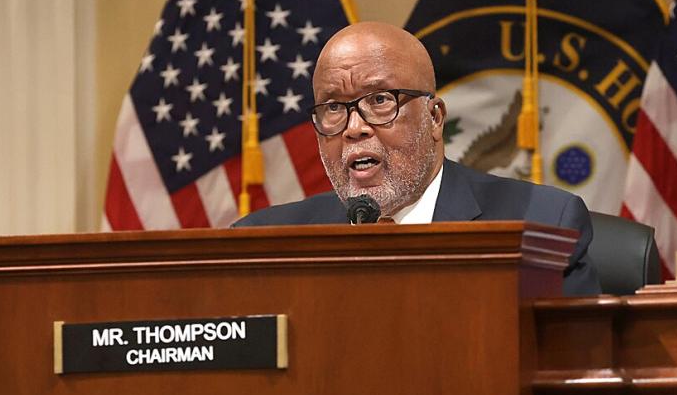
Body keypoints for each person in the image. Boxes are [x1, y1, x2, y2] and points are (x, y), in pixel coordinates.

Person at [233, 22, 601, 296]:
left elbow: (570, 378)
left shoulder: (543, 225)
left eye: (380, 101)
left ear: (435, 118)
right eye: (333, 107)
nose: (354, 128)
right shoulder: (259, 247)